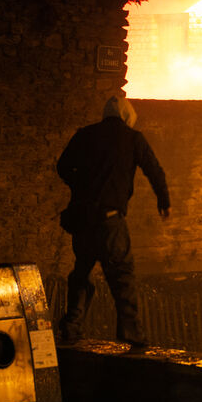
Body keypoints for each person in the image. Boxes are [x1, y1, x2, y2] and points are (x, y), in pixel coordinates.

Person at [56, 96, 170, 350]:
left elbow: (63, 166)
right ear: (127, 116)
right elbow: (154, 169)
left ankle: (71, 326)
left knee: (82, 272)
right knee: (122, 276)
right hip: (110, 221)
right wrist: (164, 200)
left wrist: (79, 185)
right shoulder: (133, 139)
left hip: (83, 220)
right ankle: (131, 332)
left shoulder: (85, 135)